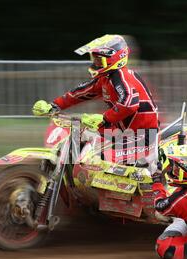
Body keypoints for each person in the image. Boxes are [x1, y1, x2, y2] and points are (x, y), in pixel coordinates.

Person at [32, 34, 159, 165]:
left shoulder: (122, 76)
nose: (95, 63)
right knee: (79, 137)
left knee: (97, 160)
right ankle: (69, 180)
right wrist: (54, 106)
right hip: (122, 131)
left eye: (99, 60)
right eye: (95, 59)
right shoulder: (105, 78)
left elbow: (129, 104)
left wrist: (104, 118)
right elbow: (79, 93)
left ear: (113, 59)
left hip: (143, 136)